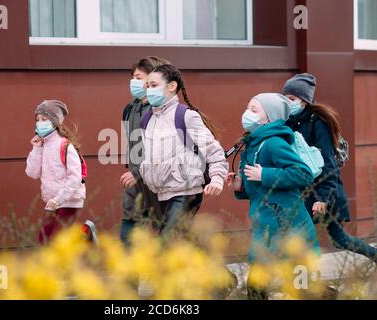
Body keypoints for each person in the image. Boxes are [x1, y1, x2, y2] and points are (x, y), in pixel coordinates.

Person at [228, 93, 319, 299]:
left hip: (292, 228)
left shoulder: (273, 144)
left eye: (254, 110)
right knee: (257, 287)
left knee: (301, 289)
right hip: (267, 228)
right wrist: (240, 187)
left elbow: (302, 173)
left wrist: (265, 174)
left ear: (269, 118)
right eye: (247, 107)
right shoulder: (252, 145)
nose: (246, 113)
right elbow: (259, 191)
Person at [283, 73, 377, 263]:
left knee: (339, 239)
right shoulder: (290, 122)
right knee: (298, 238)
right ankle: (305, 283)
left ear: (304, 99)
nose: (287, 103)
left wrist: (323, 198)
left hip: (322, 191)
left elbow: (328, 163)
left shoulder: (318, 123)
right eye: (285, 99)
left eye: (291, 99)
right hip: (303, 190)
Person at [139, 64, 228, 240]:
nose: (149, 90)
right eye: (147, 86)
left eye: (154, 85)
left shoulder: (186, 115)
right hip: (161, 192)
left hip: (186, 191)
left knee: (168, 241)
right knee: (179, 243)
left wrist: (217, 178)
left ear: (172, 86)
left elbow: (213, 151)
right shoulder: (146, 119)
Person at [120, 56, 171, 246]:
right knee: (130, 225)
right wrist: (132, 170)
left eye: (139, 77)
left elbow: (162, 149)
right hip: (136, 181)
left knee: (168, 231)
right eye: (133, 76)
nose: (134, 81)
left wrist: (136, 172)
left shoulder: (161, 110)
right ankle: (130, 273)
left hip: (159, 180)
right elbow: (130, 144)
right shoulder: (129, 109)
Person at [25, 100, 90, 245]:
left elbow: (75, 178)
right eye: (37, 120)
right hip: (52, 202)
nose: (39, 123)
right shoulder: (44, 144)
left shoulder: (65, 145)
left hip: (68, 201)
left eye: (44, 119)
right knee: (44, 239)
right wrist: (36, 148)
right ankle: (83, 236)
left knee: (57, 242)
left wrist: (58, 200)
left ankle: (84, 238)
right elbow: (32, 173)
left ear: (54, 122)